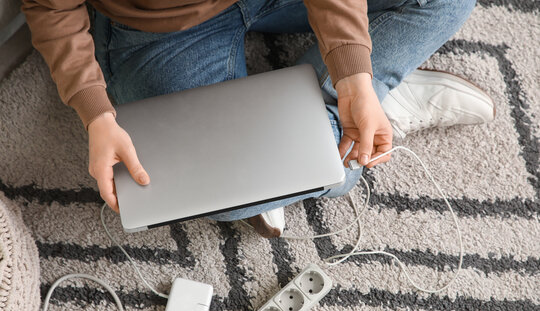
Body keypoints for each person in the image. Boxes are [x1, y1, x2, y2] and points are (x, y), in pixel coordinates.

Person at [22, 0, 494, 238]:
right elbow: (49, 5)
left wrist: (353, 74)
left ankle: (366, 94)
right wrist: (95, 112)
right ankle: (373, 100)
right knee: (205, 195)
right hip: (163, 27)